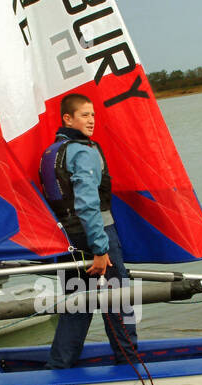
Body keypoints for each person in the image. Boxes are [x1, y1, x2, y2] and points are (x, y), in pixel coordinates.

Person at [40, 94, 139, 369]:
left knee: (77, 304)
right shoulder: (84, 151)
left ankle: (58, 367)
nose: (91, 120)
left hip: (66, 240)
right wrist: (100, 248)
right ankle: (131, 367)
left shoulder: (50, 153)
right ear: (67, 119)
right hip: (95, 234)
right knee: (118, 299)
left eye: (93, 115)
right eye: (84, 115)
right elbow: (86, 204)